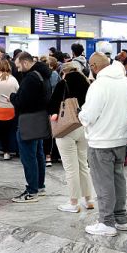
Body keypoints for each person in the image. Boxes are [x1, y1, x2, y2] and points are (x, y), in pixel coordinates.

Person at [79, 53, 127, 236]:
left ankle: (106, 222)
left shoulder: (99, 85)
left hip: (101, 141)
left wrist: (80, 114)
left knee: (104, 182)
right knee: (118, 179)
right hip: (120, 139)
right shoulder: (125, 82)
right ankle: (121, 218)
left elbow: (88, 116)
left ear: (94, 66)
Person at [49, 62, 93, 213]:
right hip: (83, 127)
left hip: (66, 128)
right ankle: (89, 199)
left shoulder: (63, 83)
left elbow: (53, 106)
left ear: (64, 73)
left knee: (70, 168)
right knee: (83, 165)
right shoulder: (87, 84)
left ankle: (73, 203)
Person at [9, 52, 52, 203]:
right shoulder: (43, 74)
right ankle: (39, 186)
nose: (18, 68)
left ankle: (32, 191)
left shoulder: (31, 78)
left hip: (28, 120)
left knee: (28, 157)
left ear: (25, 62)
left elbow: (22, 101)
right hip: (39, 118)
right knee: (38, 154)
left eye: (18, 65)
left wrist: (12, 97)